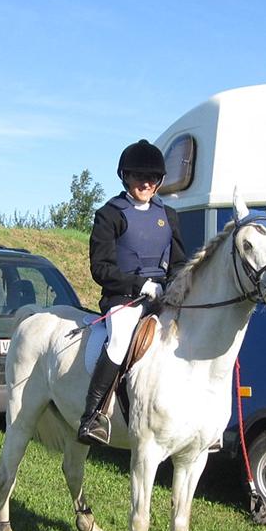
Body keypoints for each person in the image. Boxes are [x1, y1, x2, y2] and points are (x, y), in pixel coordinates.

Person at [78, 139, 186, 445]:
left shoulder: (169, 216)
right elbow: (101, 269)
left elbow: (179, 262)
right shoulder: (109, 214)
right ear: (125, 176)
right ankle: (93, 416)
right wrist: (141, 285)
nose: (146, 183)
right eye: (139, 176)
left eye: (152, 178)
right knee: (120, 339)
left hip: (162, 298)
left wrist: (172, 285)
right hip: (124, 298)